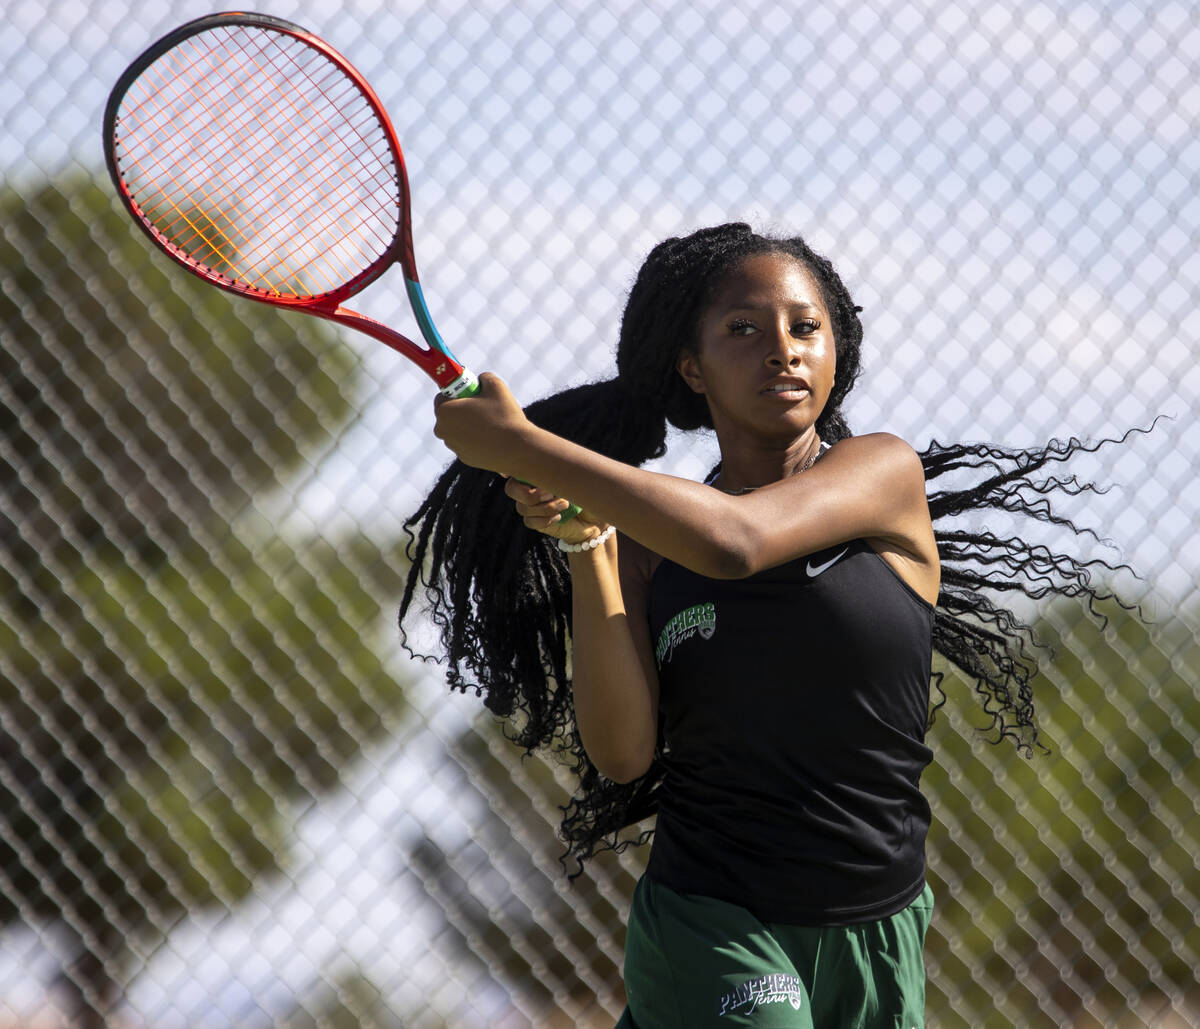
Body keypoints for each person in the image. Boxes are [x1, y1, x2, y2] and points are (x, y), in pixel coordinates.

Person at [398, 223, 1134, 1028]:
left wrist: (523, 446)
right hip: (713, 921)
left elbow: (736, 541)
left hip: (878, 932)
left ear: (834, 349)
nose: (781, 349)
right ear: (692, 367)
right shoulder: (645, 548)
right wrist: (586, 545)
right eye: (743, 330)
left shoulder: (883, 476)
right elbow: (623, 752)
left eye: (804, 327)